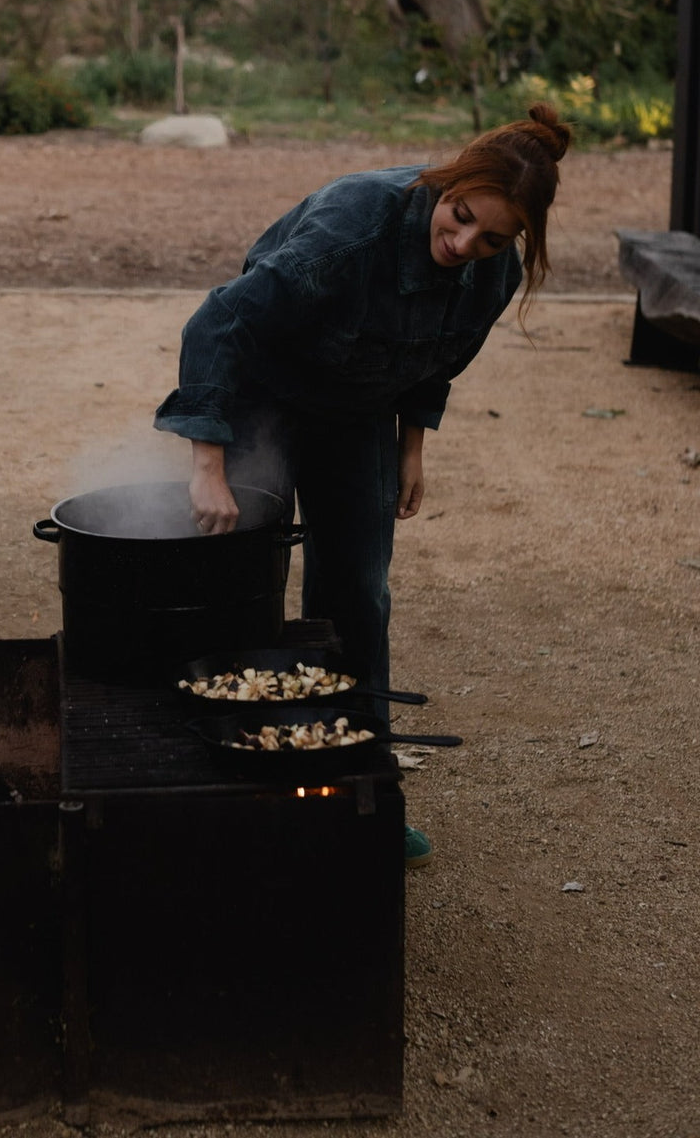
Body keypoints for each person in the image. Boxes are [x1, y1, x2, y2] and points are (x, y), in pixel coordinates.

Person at [153, 102, 571, 867]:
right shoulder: (355, 224)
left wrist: (413, 445)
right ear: (446, 183)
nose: (464, 243)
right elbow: (219, 325)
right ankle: (222, 784)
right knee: (244, 577)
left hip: (358, 411)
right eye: (460, 216)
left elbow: (439, 356)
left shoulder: (492, 273)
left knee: (359, 593)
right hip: (267, 393)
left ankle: (358, 794)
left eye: (491, 238)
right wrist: (209, 465)